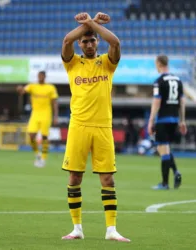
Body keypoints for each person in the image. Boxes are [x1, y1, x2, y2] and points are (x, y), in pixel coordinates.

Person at [60, 12, 130, 242]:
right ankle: (77, 228)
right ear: (81, 44)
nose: (89, 44)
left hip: (102, 127)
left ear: (97, 42)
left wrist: (92, 24)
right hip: (78, 125)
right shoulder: (72, 63)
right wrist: (91, 24)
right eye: (85, 41)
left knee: (108, 179)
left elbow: (116, 42)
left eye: (92, 40)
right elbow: (67, 40)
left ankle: (111, 230)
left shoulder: (107, 64)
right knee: (74, 178)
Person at [148, 55, 187, 190]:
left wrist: (151, 121)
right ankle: (176, 171)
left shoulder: (159, 81)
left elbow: (156, 102)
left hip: (163, 119)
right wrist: (182, 121)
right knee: (164, 149)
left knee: (163, 151)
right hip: (174, 119)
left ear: (159, 64)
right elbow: (182, 102)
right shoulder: (178, 80)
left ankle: (165, 183)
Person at [16, 71, 58, 168]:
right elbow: (22, 91)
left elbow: (55, 103)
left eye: (42, 76)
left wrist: (55, 117)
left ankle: (43, 158)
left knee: (44, 137)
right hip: (35, 114)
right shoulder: (32, 86)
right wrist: (19, 89)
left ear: (44, 77)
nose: (40, 77)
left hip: (46, 114)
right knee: (31, 136)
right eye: (39, 76)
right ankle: (37, 153)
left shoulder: (50, 88)